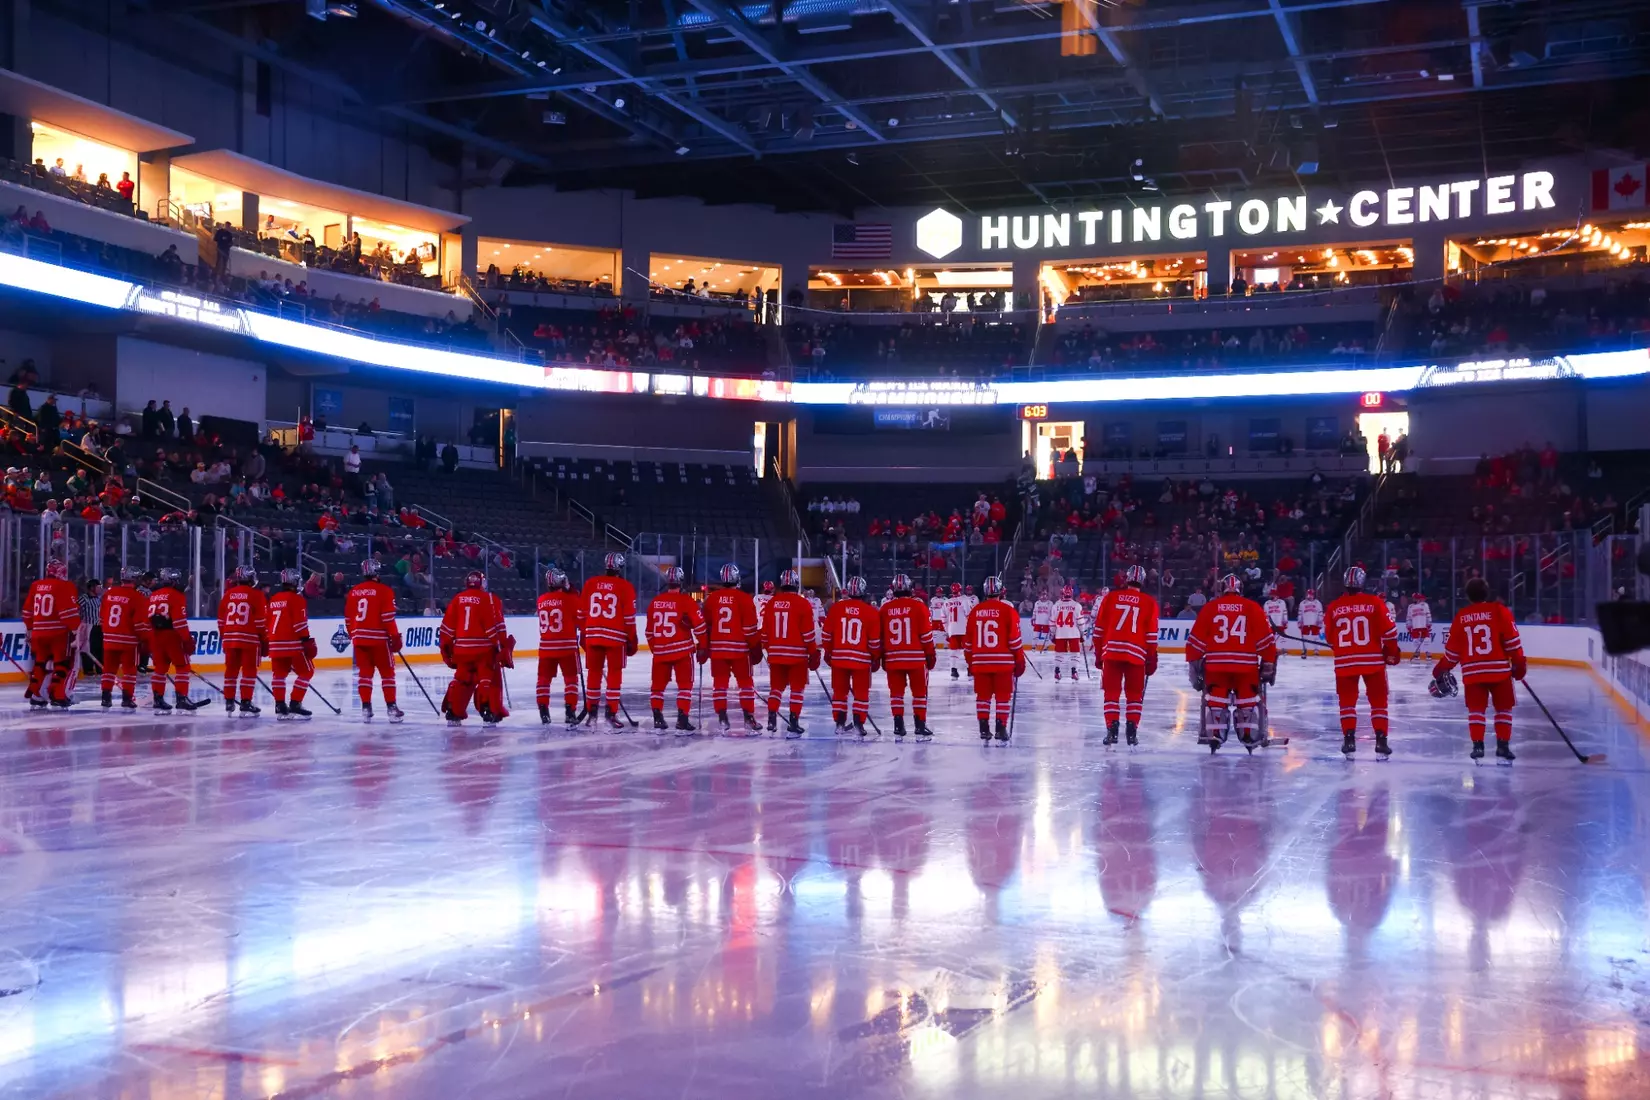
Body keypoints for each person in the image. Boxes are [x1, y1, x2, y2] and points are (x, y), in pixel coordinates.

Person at [1430, 576, 1525, 762]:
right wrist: (1519, 664)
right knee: (1504, 709)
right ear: (1487, 593)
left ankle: (1478, 746)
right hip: (1500, 672)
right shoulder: (1499, 611)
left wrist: (1439, 670)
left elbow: (1452, 654)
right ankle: (1503, 746)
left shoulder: (1462, 616)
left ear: (1467, 596)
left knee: (1476, 711)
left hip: (1473, 673)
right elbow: (1513, 643)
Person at [1186, 574, 1276, 750]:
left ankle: (1215, 733)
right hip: (1246, 666)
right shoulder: (1252, 607)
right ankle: (1249, 734)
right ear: (1240, 589)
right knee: (1248, 702)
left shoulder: (1211, 608)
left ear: (1223, 589)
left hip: (1216, 665)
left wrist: (1194, 664)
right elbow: (1266, 641)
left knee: (1216, 701)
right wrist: (1268, 661)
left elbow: (1195, 642)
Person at [1325, 566, 1400, 757]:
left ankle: (1349, 741)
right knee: (1379, 702)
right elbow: (1390, 632)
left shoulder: (1334, 607)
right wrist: (1391, 651)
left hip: (1344, 663)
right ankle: (1381, 741)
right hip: (1372, 661)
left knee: (1347, 703)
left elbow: (1330, 639)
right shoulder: (1374, 602)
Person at [1092, 564, 1160, 746]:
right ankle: (1132, 732)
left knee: (1111, 693)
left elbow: (1098, 630)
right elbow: (1152, 636)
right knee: (1134, 695)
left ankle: (1112, 731)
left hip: (1112, 653)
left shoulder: (1110, 598)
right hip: (1136, 655)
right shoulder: (1149, 602)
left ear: (1127, 578)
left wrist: (1099, 653)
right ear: (1143, 580)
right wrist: (1151, 657)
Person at [579, 551, 638, 729]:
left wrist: (584, 633)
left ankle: (592, 713)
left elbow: (581, 613)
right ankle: (611, 713)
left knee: (594, 674)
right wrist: (632, 638)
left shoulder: (590, 583)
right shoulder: (625, 586)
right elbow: (629, 617)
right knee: (614, 675)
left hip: (593, 635)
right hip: (615, 637)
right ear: (620, 567)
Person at [438, 571, 506, 725]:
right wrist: (499, 645)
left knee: (461, 679)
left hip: (462, 650)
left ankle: (452, 711)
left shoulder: (457, 599)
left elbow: (447, 628)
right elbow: (491, 626)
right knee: (487, 680)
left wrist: (446, 649)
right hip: (483, 650)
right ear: (481, 583)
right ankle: (489, 711)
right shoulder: (488, 599)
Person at [703, 562, 762, 733]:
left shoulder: (711, 599)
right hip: (740, 650)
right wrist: (755, 647)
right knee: (745, 684)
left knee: (719, 684)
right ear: (737, 579)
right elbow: (750, 629)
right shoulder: (744, 598)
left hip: (718, 649)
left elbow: (706, 626)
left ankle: (722, 718)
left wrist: (704, 646)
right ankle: (748, 718)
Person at [964, 575, 1023, 742]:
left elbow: (968, 642)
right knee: (1003, 696)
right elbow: (1014, 641)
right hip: (1003, 663)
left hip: (980, 662)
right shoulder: (1008, 611)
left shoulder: (975, 611)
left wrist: (970, 661)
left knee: (983, 696)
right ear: (1000, 591)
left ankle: (983, 728)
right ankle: (1001, 728)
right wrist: (1019, 660)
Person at [645, 566, 703, 733]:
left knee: (657, 687)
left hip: (661, 652)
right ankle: (682, 719)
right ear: (681, 581)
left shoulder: (655, 602)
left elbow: (649, 632)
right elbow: (699, 628)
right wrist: (703, 645)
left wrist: (656, 649)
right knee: (685, 686)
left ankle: (657, 717)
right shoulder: (686, 601)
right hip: (682, 650)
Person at [345, 559, 403, 722]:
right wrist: (395, 636)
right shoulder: (384, 591)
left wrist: (353, 635)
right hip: (379, 639)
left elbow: (348, 619)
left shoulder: (354, 591)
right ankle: (391, 709)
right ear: (377, 572)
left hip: (359, 639)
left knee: (364, 675)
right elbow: (387, 618)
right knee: (387, 674)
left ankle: (365, 708)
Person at [761, 568, 817, 737]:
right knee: (797, 690)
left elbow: (765, 633)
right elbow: (808, 633)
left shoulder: (772, 603)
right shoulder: (802, 603)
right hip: (797, 655)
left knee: (776, 689)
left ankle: (771, 718)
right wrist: (813, 652)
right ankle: (794, 722)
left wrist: (769, 649)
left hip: (776, 654)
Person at [880, 572, 936, 740]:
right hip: (916, 659)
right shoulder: (919, 606)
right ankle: (919, 726)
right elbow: (926, 636)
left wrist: (882, 656)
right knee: (919, 693)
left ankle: (898, 725)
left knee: (896, 694)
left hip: (893, 658)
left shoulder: (884, 609)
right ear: (910, 588)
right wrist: (930, 655)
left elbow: (880, 637)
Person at [824, 576, 880, 736]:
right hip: (861, 660)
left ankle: (839, 724)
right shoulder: (870, 612)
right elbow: (875, 642)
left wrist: (828, 653)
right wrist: (875, 657)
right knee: (861, 693)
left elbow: (827, 635)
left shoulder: (836, 608)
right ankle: (858, 724)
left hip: (839, 659)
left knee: (839, 693)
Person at [23, 559, 80, 709]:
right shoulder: (64, 586)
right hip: (58, 633)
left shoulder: (36, 585)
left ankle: (36, 696)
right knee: (63, 664)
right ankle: (57, 695)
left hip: (38, 632)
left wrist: (29, 628)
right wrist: (76, 629)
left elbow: (27, 610)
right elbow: (68, 611)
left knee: (40, 664)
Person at [146, 568, 201, 711]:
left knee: (160, 668)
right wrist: (187, 640)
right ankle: (181, 698)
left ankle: (158, 699)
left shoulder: (153, 595)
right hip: (172, 636)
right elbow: (179, 623)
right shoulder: (177, 595)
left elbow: (148, 620)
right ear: (173, 581)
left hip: (156, 636)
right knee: (182, 667)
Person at [217, 565, 268, 717]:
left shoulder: (228, 594)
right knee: (249, 672)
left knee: (231, 671)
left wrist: (224, 636)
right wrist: (264, 640)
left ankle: (229, 701)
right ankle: (246, 702)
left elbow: (221, 620)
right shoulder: (257, 595)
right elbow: (260, 622)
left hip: (230, 638)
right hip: (249, 639)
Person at [267, 568, 317, 719]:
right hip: (293, 644)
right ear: (295, 582)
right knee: (307, 672)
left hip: (275, 643)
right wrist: (307, 640)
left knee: (279, 675)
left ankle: (280, 705)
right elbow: (300, 624)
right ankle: (295, 703)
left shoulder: (274, 598)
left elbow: (267, 622)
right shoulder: (297, 599)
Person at [536, 567, 584, 727]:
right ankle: (570, 712)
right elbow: (580, 610)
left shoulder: (541, 599)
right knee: (571, 680)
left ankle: (544, 712)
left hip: (546, 647)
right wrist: (571, 589)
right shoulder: (568, 599)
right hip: (567, 646)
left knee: (543, 680)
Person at [98, 566, 148, 710]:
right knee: (129, 671)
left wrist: (107, 633)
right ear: (135, 579)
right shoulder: (137, 597)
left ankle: (105, 698)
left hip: (109, 639)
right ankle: (127, 699)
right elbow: (139, 624)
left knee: (108, 669)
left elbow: (102, 617)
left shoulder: (109, 594)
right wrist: (145, 639)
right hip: (128, 641)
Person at [1050, 585, 1083, 681]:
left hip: (1060, 633)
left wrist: (1053, 633)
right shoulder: (1077, 605)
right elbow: (1080, 622)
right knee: (1075, 653)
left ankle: (1057, 671)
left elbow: (1052, 622)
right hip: (1074, 633)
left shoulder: (1056, 606)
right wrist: (1083, 633)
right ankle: (1074, 672)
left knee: (1059, 653)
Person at [943, 581, 969, 678]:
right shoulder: (965, 600)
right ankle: (969, 669)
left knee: (954, 651)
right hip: (964, 629)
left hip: (952, 630)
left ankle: (953, 670)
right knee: (967, 650)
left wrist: (947, 630)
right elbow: (968, 614)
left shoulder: (946, 602)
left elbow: (943, 618)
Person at [1296, 588, 1324, 658]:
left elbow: (1320, 613)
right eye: (1309, 594)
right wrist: (1299, 622)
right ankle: (1304, 650)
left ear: (1313, 595)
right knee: (1304, 637)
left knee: (1316, 637)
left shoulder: (1318, 603)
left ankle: (1316, 650)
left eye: (1311, 594)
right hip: (1305, 622)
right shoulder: (1302, 603)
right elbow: (1300, 614)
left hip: (1315, 623)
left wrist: (1320, 621)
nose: (1310, 596)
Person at [1406, 592, 1434, 661]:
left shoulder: (1425, 605)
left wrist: (1429, 624)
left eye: (1416, 598)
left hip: (1424, 626)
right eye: (1414, 598)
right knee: (1416, 641)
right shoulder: (1410, 606)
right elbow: (1409, 617)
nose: (1414, 599)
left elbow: (1428, 615)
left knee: (1426, 640)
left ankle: (1428, 654)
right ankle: (1417, 654)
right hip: (1415, 626)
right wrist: (1409, 626)